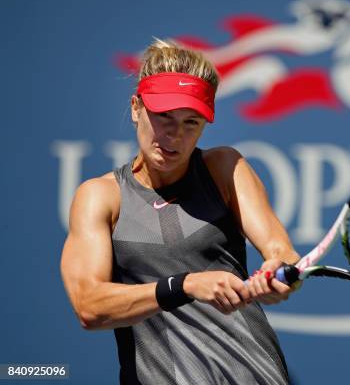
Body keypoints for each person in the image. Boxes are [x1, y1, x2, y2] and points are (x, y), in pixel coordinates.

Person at [60, 39, 301, 384]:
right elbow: (89, 305)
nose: (174, 135)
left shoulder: (224, 167)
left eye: (191, 123)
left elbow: (281, 250)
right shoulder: (100, 196)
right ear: (135, 108)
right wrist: (184, 286)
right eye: (164, 117)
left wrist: (279, 272)